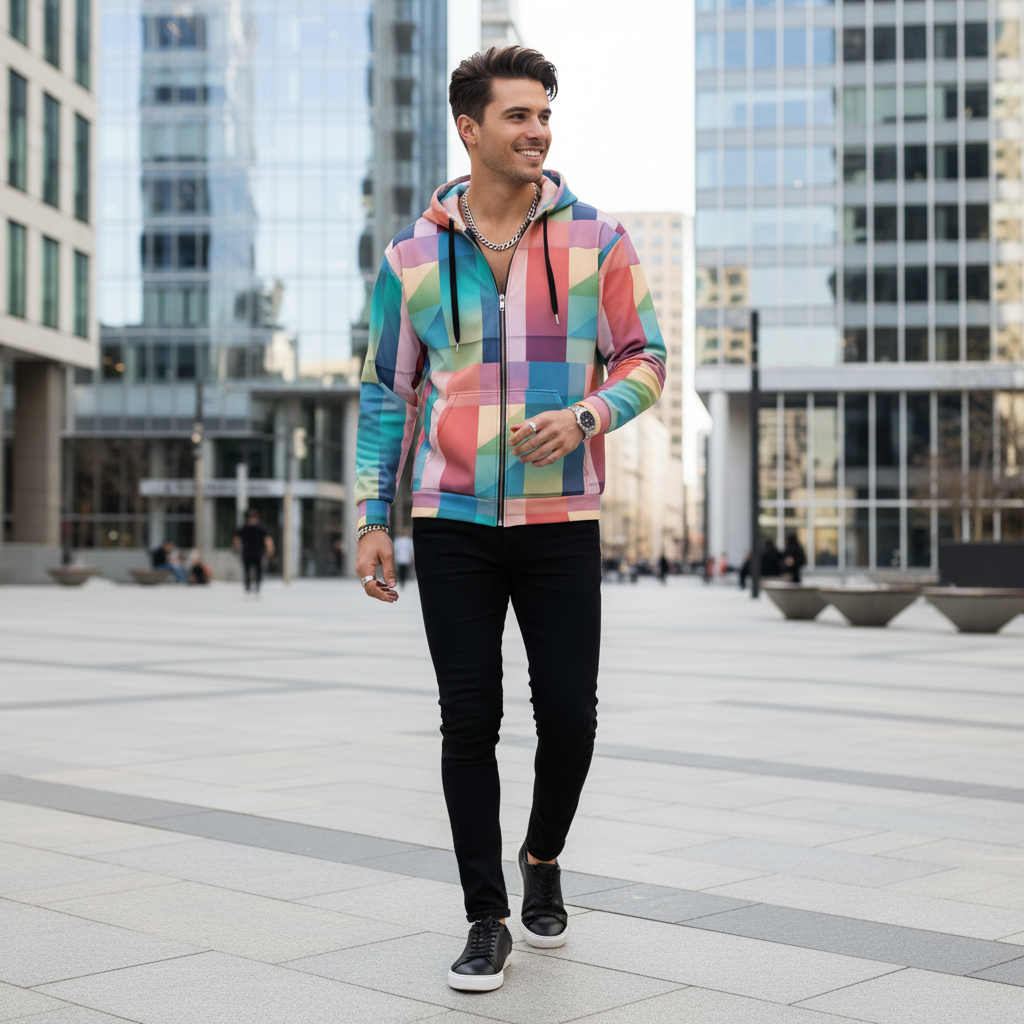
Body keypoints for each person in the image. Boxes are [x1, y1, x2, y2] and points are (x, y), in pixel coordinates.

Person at [354, 46, 665, 993]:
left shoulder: (598, 242)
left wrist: (583, 417)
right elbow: (384, 394)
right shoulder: (411, 258)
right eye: (519, 116)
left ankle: (541, 856)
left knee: (570, 716)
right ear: (470, 128)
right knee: (467, 719)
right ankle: (484, 914)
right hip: (450, 522)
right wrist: (376, 513)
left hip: (560, 517)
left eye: (545, 116)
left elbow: (645, 362)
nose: (538, 131)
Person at [233, 510, 274, 595]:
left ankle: (257, 586)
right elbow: (236, 538)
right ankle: (248, 586)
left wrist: (270, 549)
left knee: (259, 570)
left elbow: (267, 539)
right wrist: (235, 547)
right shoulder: (244, 528)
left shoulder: (260, 528)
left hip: (257, 553)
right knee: (247, 571)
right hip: (247, 553)